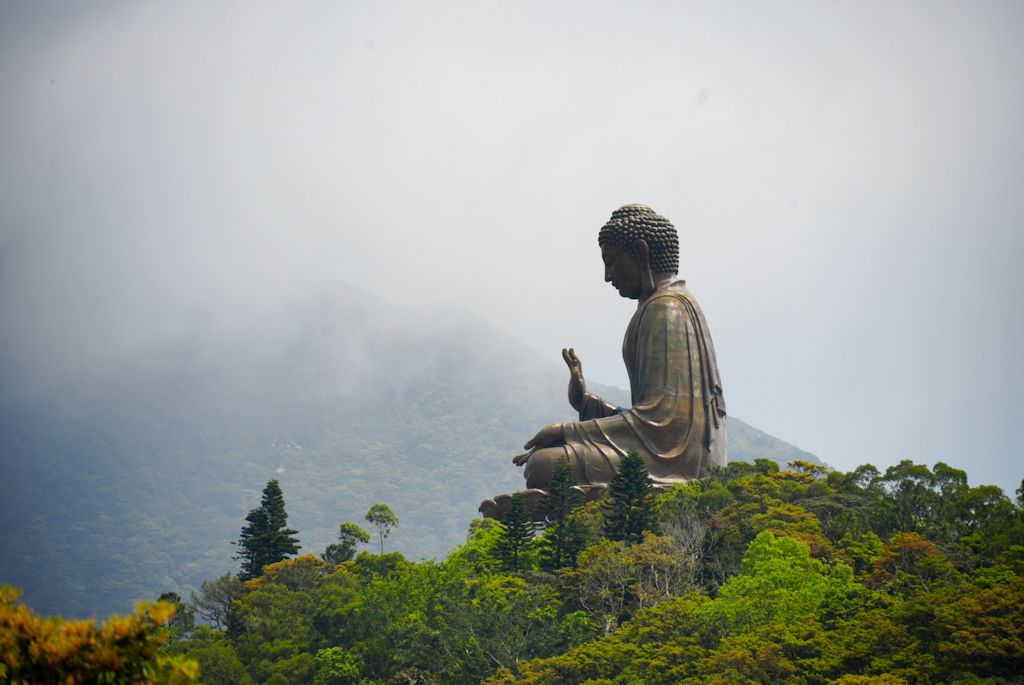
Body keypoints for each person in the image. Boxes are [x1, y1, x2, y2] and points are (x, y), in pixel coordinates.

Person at [513, 205, 727, 491]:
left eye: (612, 262)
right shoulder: (665, 305)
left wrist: (566, 431)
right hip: (665, 452)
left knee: (543, 466)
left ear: (639, 252)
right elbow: (654, 418)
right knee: (543, 464)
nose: (607, 276)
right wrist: (586, 403)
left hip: (675, 464)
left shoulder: (666, 309)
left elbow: (665, 427)